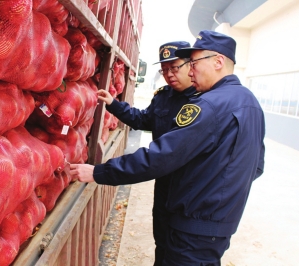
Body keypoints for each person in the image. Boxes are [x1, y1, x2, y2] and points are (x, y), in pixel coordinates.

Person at [70, 30, 265, 265]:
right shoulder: (249, 102)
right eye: (165, 70)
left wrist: (98, 172)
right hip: (214, 222)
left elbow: (162, 156)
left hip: (193, 219)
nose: (190, 70)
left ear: (218, 62)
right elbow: (256, 166)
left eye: (193, 63)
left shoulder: (209, 105)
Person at [96, 41, 196, 265]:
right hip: (164, 182)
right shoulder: (163, 96)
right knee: (161, 238)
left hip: (190, 188)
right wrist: (113, 104)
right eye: (164, 69)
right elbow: (143, 119)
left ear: (191, 65)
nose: (169, 74)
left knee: (184, 250)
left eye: (175, 67)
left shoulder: (204, 100)